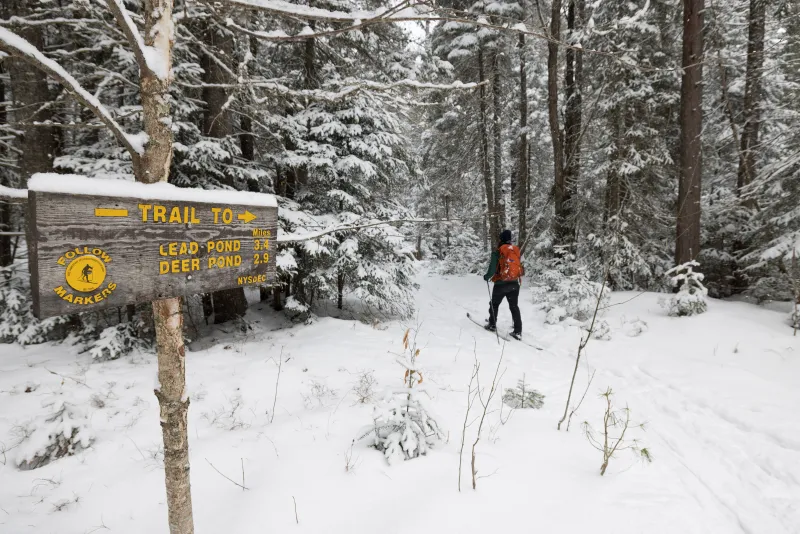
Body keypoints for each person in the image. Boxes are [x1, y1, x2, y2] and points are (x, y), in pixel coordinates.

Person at [483, 229, 523, 339]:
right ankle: (518, 331)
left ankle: (492, 324)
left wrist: (487, 277)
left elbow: (492, 269)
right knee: (514, 307)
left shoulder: (498, 251)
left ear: (501, 239)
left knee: (494, 304)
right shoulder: (515, 251)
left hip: (501, 284)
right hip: (514, 283)